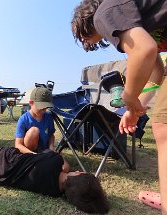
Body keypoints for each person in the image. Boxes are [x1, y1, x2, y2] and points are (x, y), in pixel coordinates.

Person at [71, 0, 167, 214]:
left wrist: (129, 96)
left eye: (83, 39)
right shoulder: (133, 19)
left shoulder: (105, 11)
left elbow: (144, 50)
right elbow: (156, 72)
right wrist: (135, 108)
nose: (87, 44)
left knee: (164, 127)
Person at [0, 147, 110, 214]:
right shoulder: (54, 192)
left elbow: (48, 155)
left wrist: (65, 164)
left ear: (78, 174)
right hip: (2, 176)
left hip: (10, 160)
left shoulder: (56, 161)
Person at [15, 87, 55, 154]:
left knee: (65, 165)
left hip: (45, 151)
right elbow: (18, 145)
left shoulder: (48, 117)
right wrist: (33, 154)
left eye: (46, 107)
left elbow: (51, 135)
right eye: (41, 107)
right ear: (31, 103)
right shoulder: (23, 119)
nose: (43, 110)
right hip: (29, 153)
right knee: (34, 131)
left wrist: (51, 147)